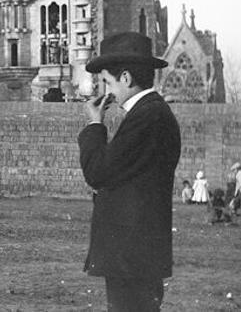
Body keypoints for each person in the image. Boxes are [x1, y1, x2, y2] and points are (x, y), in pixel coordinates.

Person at [78, 31, 182, 312]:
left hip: (131, 256)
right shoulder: (152, 113)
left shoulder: (147, 117)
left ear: (125, 78)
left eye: (107, 82)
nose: (106, 91)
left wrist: (94, 126)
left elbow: (97, 172)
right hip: (137, 254)